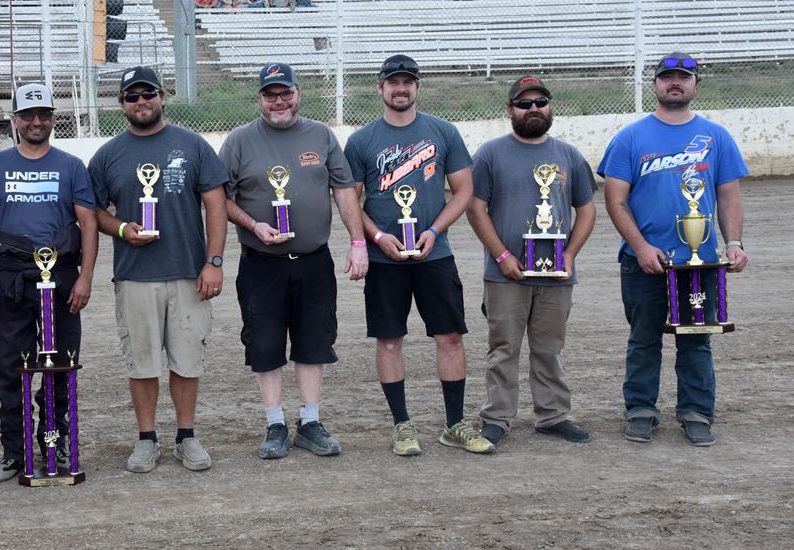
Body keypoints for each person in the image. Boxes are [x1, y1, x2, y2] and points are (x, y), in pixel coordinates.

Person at [344, 54, 494, 456]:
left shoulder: (442, 132)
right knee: (390, 340)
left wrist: (433, 230)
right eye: (393, 82)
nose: (401, 88)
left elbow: (463, 190)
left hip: (434, 253)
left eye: (408, 81)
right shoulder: (361, 141)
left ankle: (455, 423)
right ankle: (402, 425)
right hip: (384, 259)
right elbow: (347, 200)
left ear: (417, 87)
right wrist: (376, 239)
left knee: (449, 336)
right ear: (380, 88)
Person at [599, 51, 749, 447]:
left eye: (683, 76)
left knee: (697, 338)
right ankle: (641, 409)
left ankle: (696, 411)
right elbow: (615, 200)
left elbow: (729, 196)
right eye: (667, 77)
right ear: (655, 85)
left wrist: (732, 243)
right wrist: (641, 246)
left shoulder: (716, 137)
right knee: (644, 338)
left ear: (696, 84)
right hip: (643, 262)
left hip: (700, 263)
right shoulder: (631, 137)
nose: (674, 83)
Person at [219, 62, 367, 459]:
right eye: (271, 94)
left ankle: (310, 421)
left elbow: (344, 189)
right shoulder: (239, 141)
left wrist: (358, 242)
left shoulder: (320, 135)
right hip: (261, 262)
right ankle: (274, 423)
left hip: (313, 259)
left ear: (298, 93)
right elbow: (221, 200)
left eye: (286, 93)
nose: (279, 101)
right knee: (264, 344)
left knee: (313, 341)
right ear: (260, 99)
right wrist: (254, 224)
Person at [89, 66, 227, 473]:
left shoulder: (192, 145)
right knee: (142, 362)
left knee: (187, 360)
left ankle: (187, 436)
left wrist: (214, 262)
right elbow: (93, 212)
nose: (141, 102)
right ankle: (146, 438)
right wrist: (121, 229)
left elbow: (215, 205)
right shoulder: (108, 154)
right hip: (134, 275)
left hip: (187, 272)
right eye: (132, 96)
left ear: (162, 96)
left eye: (147, 94)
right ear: (122, 104)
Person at [0, 83, 98, 481]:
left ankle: (54, 445)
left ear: (53, 120)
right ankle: (14, 450)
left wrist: (86, 278)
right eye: (28, 115)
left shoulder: (71, 165)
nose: (36, 121)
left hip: (61, 276)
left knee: (60, 362)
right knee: (10, 365)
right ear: (15, 121)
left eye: (44, 115)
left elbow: (88, 223)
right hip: (12, 275)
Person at [466, 76, 597, 448]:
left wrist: (569, 254)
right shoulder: (490, 154)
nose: (533, 109)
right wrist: (502, 256)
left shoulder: (568, 156)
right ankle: (497, 417)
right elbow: (476, 210)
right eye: (524, 104)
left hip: (556, 275)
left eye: (540, 102)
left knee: (549, 347)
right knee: (504, 347)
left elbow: (586, 210)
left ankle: (553, 415)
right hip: (505, 274)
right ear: (510, 110)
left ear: (550, 106)